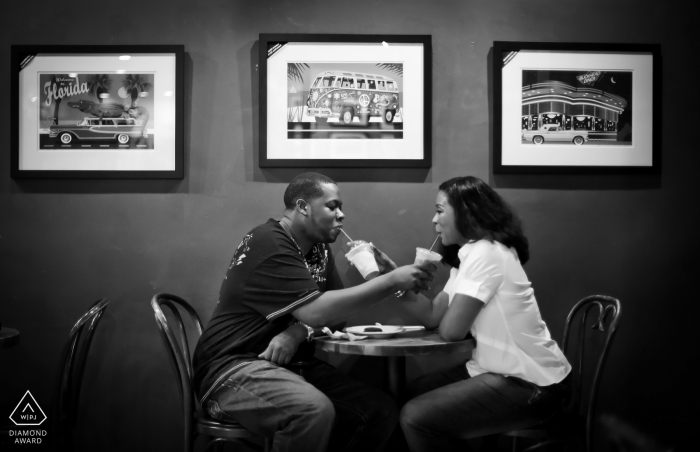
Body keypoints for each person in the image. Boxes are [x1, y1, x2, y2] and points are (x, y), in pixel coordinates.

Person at [192, 172, 436, 452]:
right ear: (303, 207)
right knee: (311, 410)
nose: (341, 215)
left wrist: (297, 332)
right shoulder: (268, 241)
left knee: (378, 411)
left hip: (289, 366)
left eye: (341, 207)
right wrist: (391, 280)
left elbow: (334, 315)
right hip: (232, 367)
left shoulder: (318, 249)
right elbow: (317, 313)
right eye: (332, 206)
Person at [374, 176, 572, 452]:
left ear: (466, 212)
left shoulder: (486, 253)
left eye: (440, 210)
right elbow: (433, 316)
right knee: (408, 395)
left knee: (416, 417)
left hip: (533, 383)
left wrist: (443, 309)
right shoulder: (469, 257)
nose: (433, 219)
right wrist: (394, 278)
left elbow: (451, 331)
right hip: (497, 370)